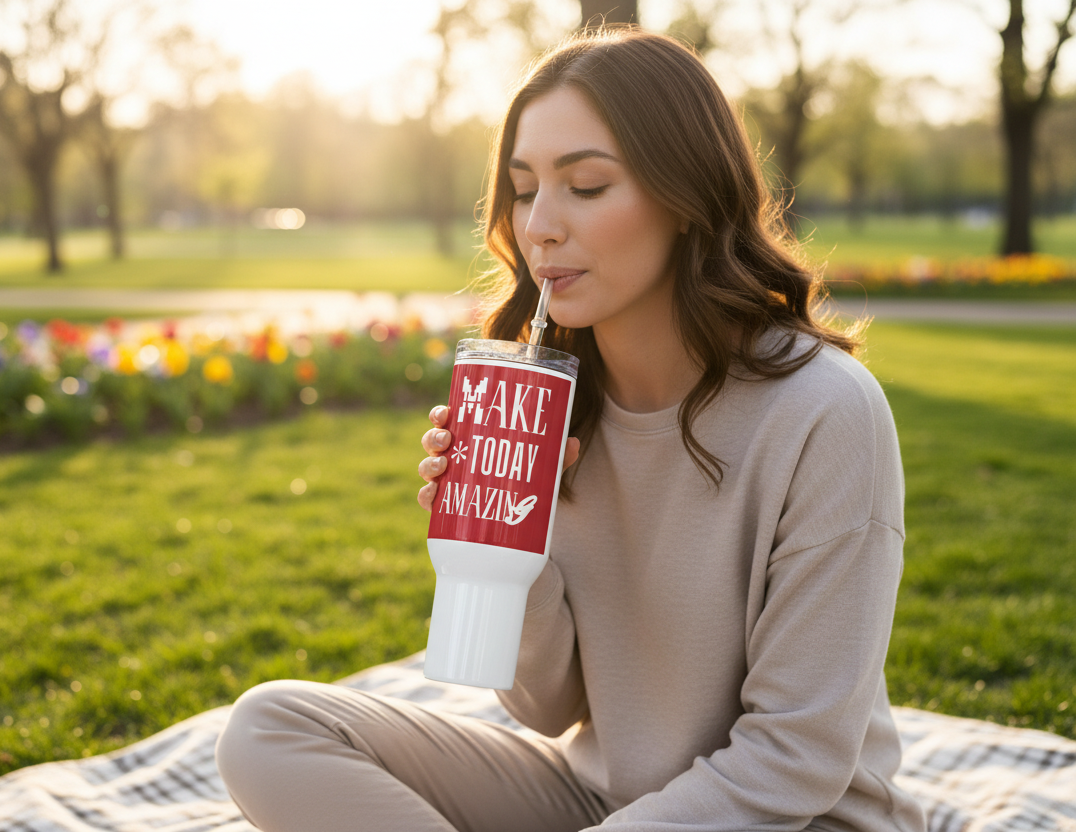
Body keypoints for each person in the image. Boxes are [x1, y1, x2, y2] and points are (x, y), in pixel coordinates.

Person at [215, 27, 926, 832]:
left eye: (585, 185)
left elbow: (795, 763)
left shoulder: (824, 412)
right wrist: (515, 546)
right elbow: (546, 709)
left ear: (686, 199)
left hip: (790, 818)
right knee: (271, 728)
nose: (540, 226)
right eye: (524, 189)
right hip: (601, 799)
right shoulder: (553, 400)